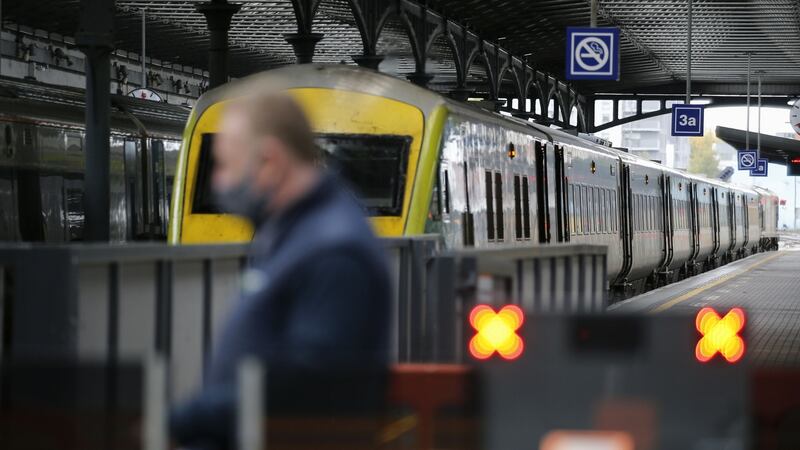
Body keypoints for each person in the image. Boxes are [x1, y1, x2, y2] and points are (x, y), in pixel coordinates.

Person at [170, 92, 392, 448]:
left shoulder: (334, 252)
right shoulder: (295, 234)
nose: (218, 183)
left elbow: (305, 388)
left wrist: (185, 420)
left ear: (269, 161)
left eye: (225, 165)